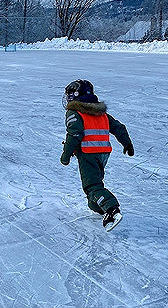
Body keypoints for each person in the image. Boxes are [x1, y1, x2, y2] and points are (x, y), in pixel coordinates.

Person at [60, 79, 134, 231]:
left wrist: (66, 155)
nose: (68, 99)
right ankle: (98, 204)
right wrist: (127, 143)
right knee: (94, 187)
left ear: (75, 95)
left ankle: (111, 209)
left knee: (92, 186)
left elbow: (74, 134)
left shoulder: (74, 112)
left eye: (69, 95)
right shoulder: (101, 113)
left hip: (88, 153)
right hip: (103, 153)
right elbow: (119, 128)